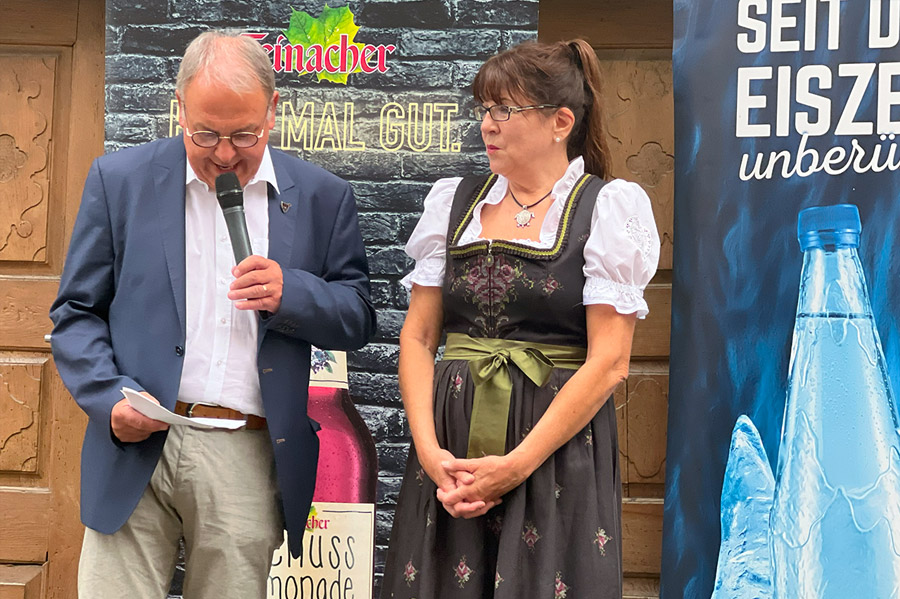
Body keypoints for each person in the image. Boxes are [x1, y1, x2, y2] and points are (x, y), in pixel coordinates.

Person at [49, 30, 376, 599]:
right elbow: (76, 312)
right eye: (205, 133)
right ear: (179, 108)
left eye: (245, 134)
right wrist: (107, 398)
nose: (225, 154)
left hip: (246, 451)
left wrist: (293, 293)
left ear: (273, 110)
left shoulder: (323, 196)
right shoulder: (119, 181)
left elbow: (358, 317)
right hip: (135, 444)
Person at [381, 39, 660, 598]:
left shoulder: (605, 208)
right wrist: (431, 453)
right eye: (484, 109)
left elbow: (609, 362)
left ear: (560, 122)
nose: (488, 124)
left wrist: (515, 464)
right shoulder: (454, 203)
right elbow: (419, 336)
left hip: (552, 452)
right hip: (450, 448)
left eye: (505, 110)